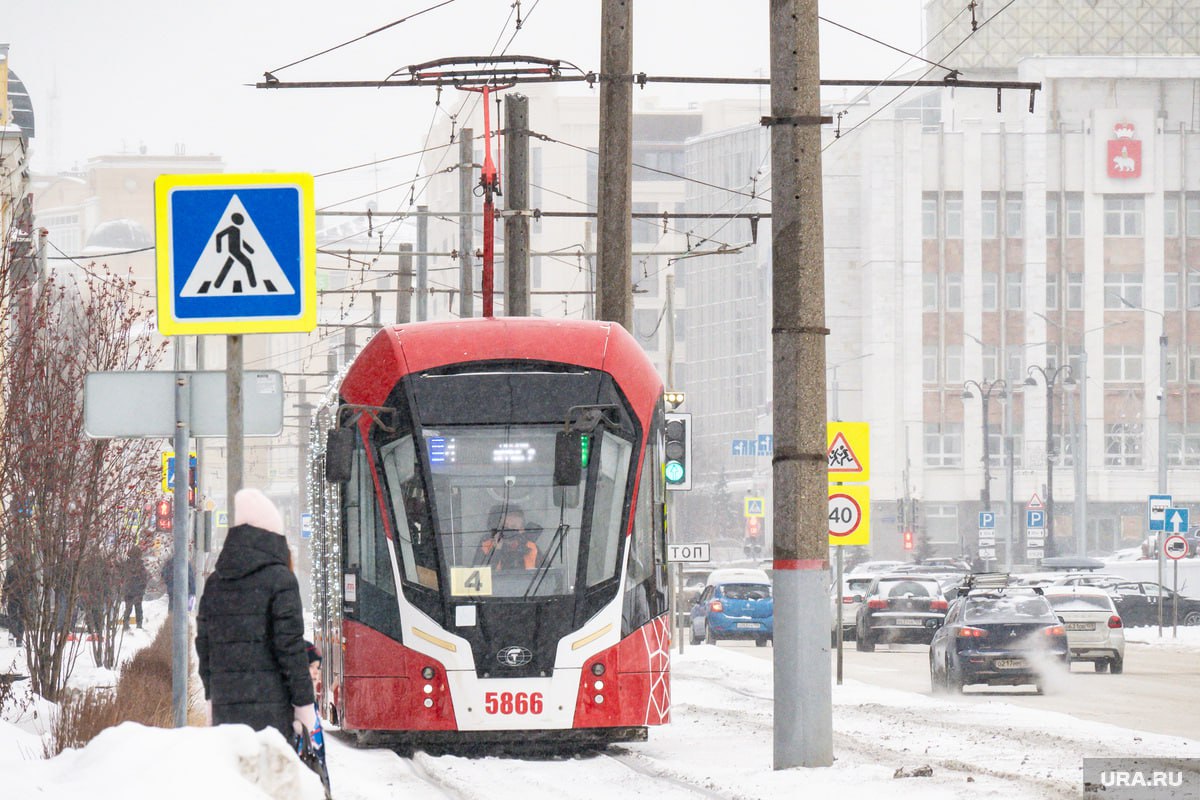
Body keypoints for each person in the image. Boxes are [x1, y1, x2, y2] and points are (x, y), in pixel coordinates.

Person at [195, 488, 314, 742]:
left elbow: (204, 647)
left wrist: (212, 698)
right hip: (272, 715)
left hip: (226, 712)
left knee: (235, 780)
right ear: (274, 537)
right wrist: (304, 706)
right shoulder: (281, 580)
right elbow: (290, 649)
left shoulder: (215, 582)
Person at [300, 640, 331, 797]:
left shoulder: (312, 705)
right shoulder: (297, 708)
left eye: (317, 668)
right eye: (310, 666)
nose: (315, 673)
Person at [475, 504, 539, 570]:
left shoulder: (532, 548)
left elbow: (547, 575)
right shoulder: (486, 546)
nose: (508, 529)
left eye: (513, 526)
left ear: (521, 530)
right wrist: (496, 550)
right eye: (505, 526)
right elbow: (479, 575)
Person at [121, 547, 148, 629]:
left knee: (128, 607)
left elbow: (122, 576)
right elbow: (144, 578)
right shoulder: (140, 565)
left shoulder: (126, 565)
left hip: (128, 589)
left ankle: (126, 623)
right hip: (138, 590)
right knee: (138, 607)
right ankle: (139, 624)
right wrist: (142, 587)